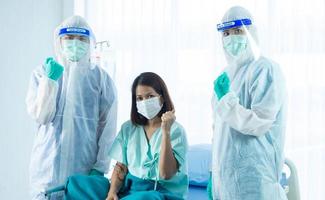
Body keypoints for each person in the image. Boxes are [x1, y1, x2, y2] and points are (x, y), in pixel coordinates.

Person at [26, 15, 117, 199]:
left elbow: (108, 128)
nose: (75, 43)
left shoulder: (101, 79)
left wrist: (100, 167)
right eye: (69, 38)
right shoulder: (43, 73)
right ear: (59, 41)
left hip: (82, 171)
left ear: (90, 42)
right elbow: (42, 116)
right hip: (46, 171)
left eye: (81, 39)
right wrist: (50, 81)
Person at [211, 6, 287, 200]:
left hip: (255, 176)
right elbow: (219, 130)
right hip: (226, 179)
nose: (231, 37)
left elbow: (259, 123)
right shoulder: (225, 76)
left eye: (238, 31)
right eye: (226, 33)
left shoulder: (264, 69)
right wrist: (215, 174)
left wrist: (226, 99)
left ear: (250, 33)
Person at [106, 72, 188, 200]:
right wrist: (112, 192)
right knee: (79, 184)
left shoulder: (176, 131)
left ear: (162, 98)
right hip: (131, 188)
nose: (144, 102)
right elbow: (120, 168)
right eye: (139, 98)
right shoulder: (128, 128)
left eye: (150, 96)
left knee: (145, 197)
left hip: (162, 193)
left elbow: (165, 174)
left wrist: (165, 131)